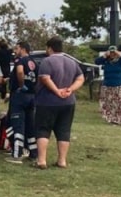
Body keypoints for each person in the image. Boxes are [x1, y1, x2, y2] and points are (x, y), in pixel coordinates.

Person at [33, 37, 84, 169]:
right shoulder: (72, 62)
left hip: (47, 101)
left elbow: (45, 78)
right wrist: (70, 89)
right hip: (68, 102)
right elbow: (80, 78)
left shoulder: (47, 61)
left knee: (43, 130)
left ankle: (41, 160)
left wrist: (56, 91)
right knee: (64, 130)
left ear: (49, 48)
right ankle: (62, 160)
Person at [6, 40, 38, 164]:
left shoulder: (20, 61)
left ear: (22, 49)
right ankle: (33, 153)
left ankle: (17, 154)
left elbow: (20, 71)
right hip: (31, 96)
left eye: (17, 48)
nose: (15, 51)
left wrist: (21, 85)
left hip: (20, 96)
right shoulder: (34, 62)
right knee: (30, 125)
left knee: (17, 124)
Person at [95, 46, 121, 125]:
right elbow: (97, 62)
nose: (112, 54)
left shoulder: (120, 60)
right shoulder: (106, 60)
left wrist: (120, 55)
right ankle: (113, 119)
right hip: (108, 84)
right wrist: (104, 56)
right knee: (110, 103)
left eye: (113, 52)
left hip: (120, 84)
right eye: (111, 52)